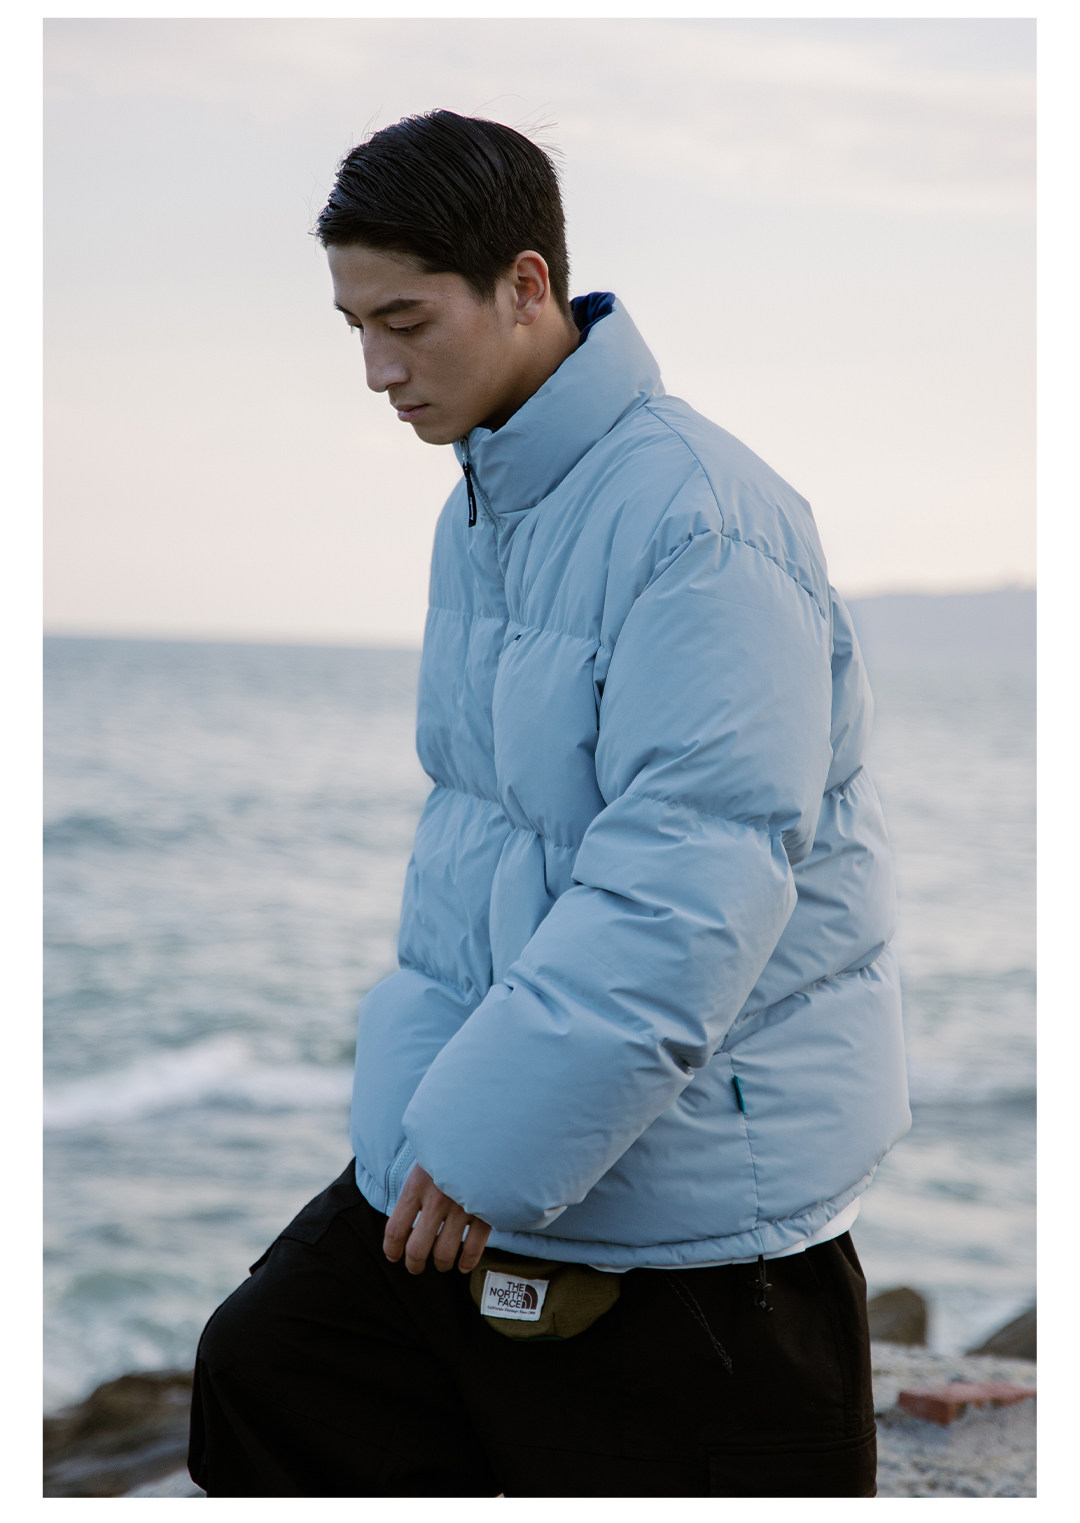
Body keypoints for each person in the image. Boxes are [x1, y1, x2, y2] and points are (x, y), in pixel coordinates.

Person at [188, 109, 910, 1498]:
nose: (376, 369)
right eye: (354, 327)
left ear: (527, 286)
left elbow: (691, 879)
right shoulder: (488, 505)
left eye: (405, 321)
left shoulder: (702, 520)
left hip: (687, 1197)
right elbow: (482, 847)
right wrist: (423, 1134)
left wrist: (482, 1152)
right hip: (489, 1144)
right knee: (267, 1370)